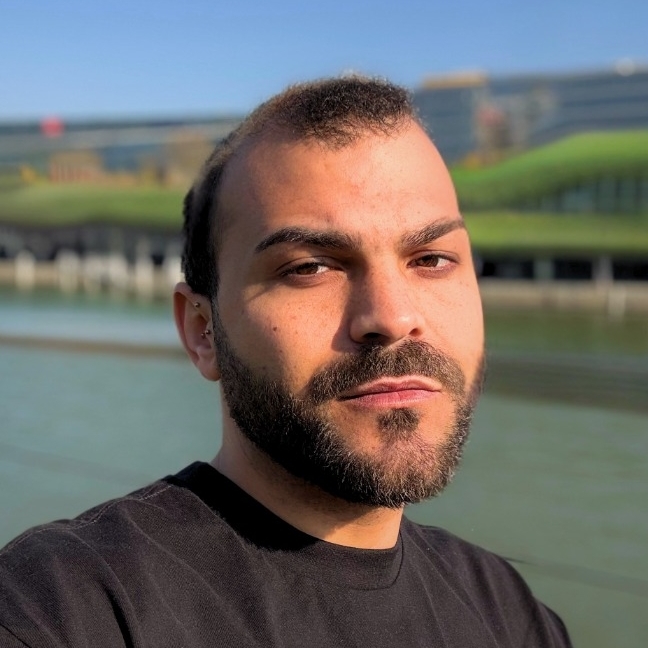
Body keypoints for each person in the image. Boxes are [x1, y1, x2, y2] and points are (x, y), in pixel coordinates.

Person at [0, 76, 571, 647]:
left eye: (432, 259)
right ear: (202, 331)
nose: (394, 317)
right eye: (310, 268)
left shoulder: (510, 613)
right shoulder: (60, 609)